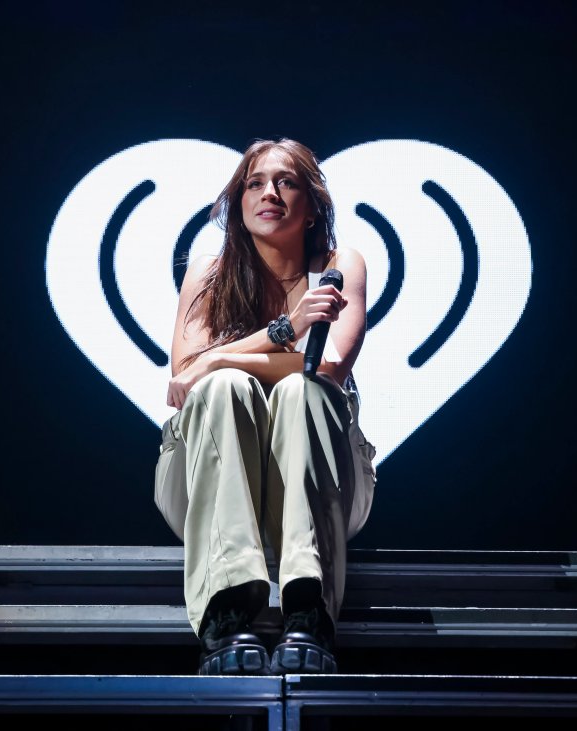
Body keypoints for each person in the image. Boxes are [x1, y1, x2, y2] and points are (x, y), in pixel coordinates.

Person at [154, 138, 376, 675]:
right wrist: (288, 330)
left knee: (303, 390)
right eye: (255, 183)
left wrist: (219, 358)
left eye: (286, 182)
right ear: (239, 202)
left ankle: (308, 609)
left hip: (325, 484)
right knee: (223, 388)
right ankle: (227, 611)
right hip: (202, 485)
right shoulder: (208, 272)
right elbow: (186, 378)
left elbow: (327, 367)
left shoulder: (338, 265)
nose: (268, 193)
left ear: (311, 206)